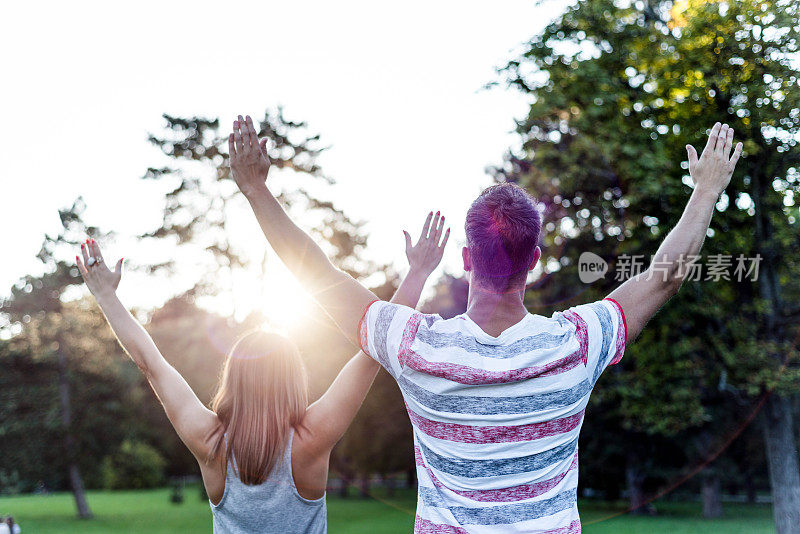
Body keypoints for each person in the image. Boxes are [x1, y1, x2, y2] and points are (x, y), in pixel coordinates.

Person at [229, 115, 743, 533]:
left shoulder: (415, 347)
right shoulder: (576, 343)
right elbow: (662, 279)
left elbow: (316, 273)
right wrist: (706, 192)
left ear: (468, 258)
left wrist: (255, 190)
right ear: (534, 260)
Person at [76, 210, 449, 533]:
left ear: (232, 379)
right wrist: (417, 272)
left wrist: (106, 296)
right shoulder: (311, 439)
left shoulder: (210, 444)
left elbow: (152, 365)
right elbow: (374, 352)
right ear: (292, 380)